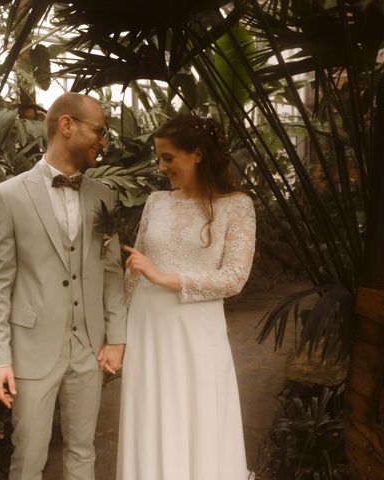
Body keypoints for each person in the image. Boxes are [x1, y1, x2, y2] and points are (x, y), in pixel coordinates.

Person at [0, 92, 127, 480]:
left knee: (83, 450)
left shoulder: (102, 195)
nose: (104, 140)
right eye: (98, 130)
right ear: (67, 126)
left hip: (88, 346)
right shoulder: (8, 195)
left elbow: (112, 273)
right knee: (29, 454)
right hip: (32, 348)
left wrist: (117, 337)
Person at [117, 114, 256, 479]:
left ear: (196, 154)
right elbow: (134, 271)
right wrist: (115, 335)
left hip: (197, 332)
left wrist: (165, 277)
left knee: (198, 415)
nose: (162, 167)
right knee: (150, 413)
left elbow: (234, 278)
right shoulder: (156, 202)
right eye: (159, 158)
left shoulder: (238, 206)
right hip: (147, 327)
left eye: (168, 158)